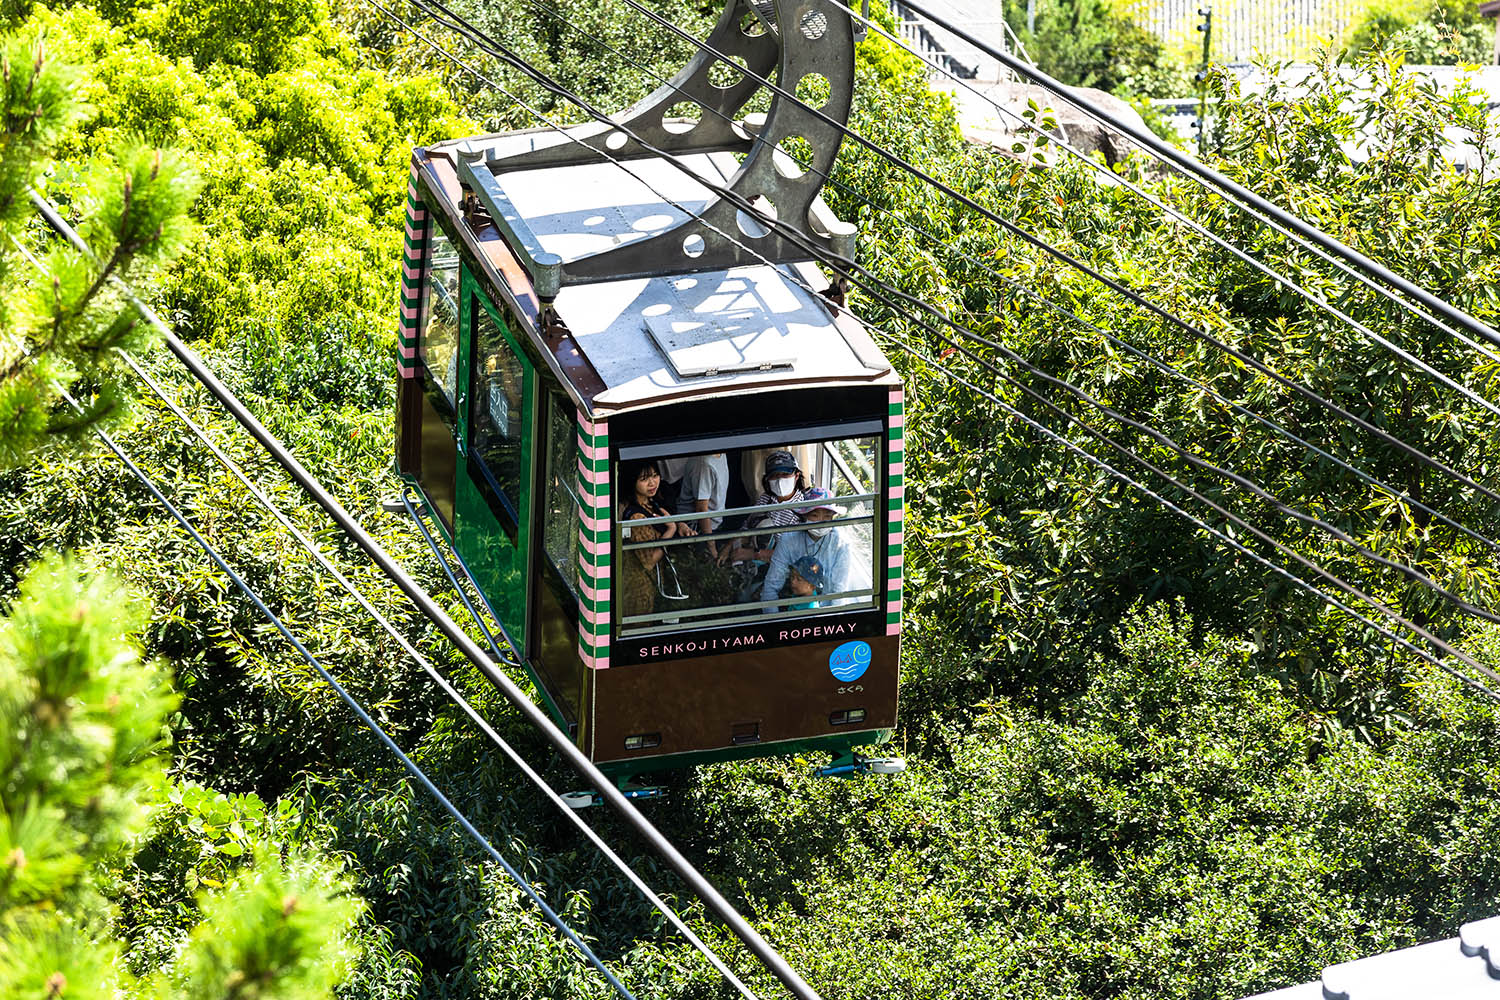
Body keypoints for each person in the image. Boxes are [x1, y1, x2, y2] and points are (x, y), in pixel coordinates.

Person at [618, 459, 696, 621]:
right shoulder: (637, 516)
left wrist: (678, 525)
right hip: (639, 589)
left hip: (654, 584)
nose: (652, 482)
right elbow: (648, 561)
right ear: (632, 482)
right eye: (644, 479)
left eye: (655, 475)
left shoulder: (651, 503)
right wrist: (671, 529)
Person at [760, 487, 856, 612]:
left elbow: (839, 594)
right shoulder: (788, 540)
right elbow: (771, 587)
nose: (820, 522)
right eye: (815, 515)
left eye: (827, 516)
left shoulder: (841, 544)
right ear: (804, 516)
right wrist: (775, 622)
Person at [730, 449, 809, 565]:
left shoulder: (804, 509)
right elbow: (747, 527)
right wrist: (729, 546)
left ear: (796, 476)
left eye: (785, 474)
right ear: (767, 479)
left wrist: (754, 554)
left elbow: (796, 553)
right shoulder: (765, 499)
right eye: (775, 476)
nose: (780, 479)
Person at [674, 451, 729, 558]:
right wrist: (711, 546)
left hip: (714, 523)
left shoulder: (721, 454)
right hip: (698, 529)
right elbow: (701, 510)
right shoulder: (704, 465)